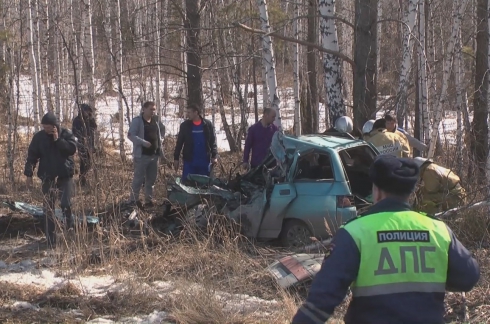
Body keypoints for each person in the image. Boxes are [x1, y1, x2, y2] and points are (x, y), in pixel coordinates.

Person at [292, 155, 480, 324]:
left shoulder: (355, 232)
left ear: (377, 191)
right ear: (410, 192)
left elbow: (322, 300)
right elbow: (468, 277)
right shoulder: (438, 229)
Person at [24, 112, 78, 247]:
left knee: (66, 204)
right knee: (48, 208)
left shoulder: (66, 134)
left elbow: (71, 149)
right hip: (48, 176)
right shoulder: (39, 138)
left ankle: (70, 234)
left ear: (55, 126)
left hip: (65, 175)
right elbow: (32, 156)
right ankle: (51, 239)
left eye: (48, 127)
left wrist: (57, 139)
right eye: (44, 127)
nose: (46, 129)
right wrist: (28, 175)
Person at [127, 101, 166, 207]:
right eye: (151, 109)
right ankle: (133, 200)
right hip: (142, 156)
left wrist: (160, 139)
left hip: (154, 156)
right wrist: (143, 142)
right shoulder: (138, 121)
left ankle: (148, 201)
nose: (153, 111)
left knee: (151, 180)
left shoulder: (156, 120)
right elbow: (130, 135)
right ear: (144, 109)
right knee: (138, 179)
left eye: (154, 109)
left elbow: (162, 129)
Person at [173, 104, 218, 181]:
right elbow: (179, 142)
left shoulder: (207, 124)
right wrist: (176, 158)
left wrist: (214, 155)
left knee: (204, 183)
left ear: (196, 112)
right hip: (189, 161)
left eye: (189, 112)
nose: (188, 114)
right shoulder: (185, 126)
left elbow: (212, 141)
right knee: (188, 183)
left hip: (204, 160)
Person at [72, 103, 97, 187]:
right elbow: (74, 132)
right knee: (84, 162)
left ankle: (86, 178)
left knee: (89, 163)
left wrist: (91, 118)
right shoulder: (77, 120)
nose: (88, 113)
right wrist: (82, 136)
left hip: (90, 144)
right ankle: (82, 179)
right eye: (86, 111)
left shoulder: (90, 119)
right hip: (82, 144)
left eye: (89, 112)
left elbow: (95, 127)